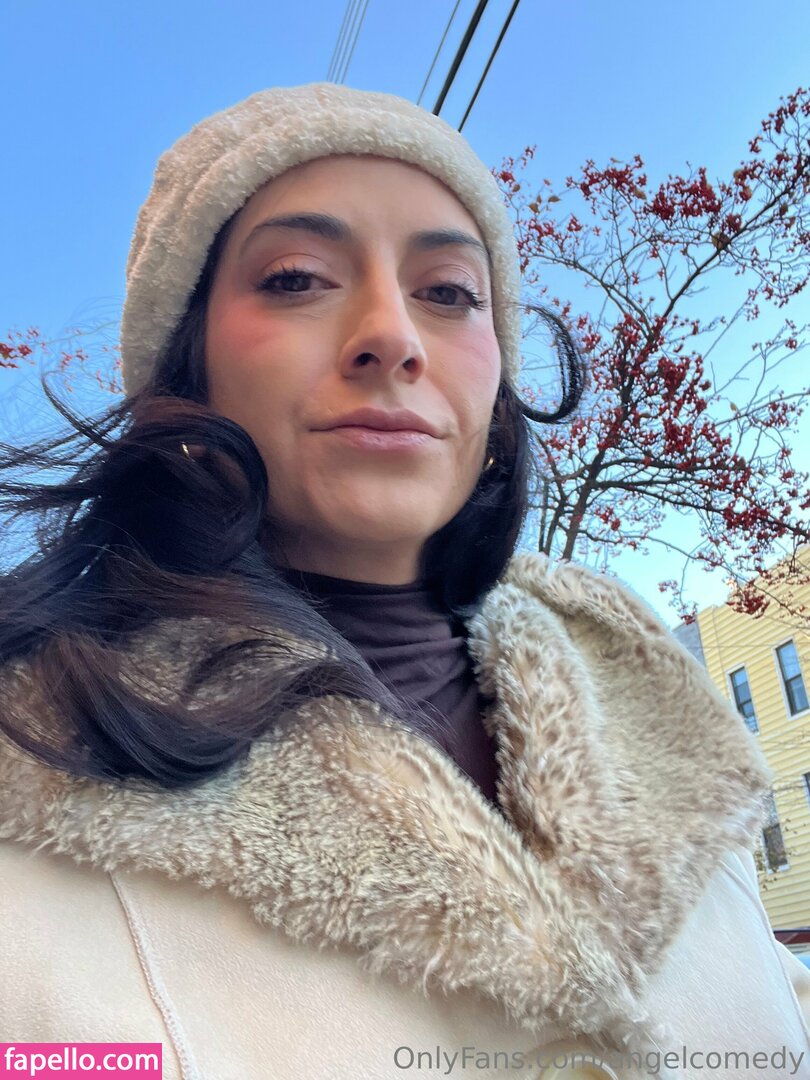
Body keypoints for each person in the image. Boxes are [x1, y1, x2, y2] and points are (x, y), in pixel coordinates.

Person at [0, 83, 807, 1080]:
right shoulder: (32, 750)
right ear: (186, 366)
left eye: (450, 293)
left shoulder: (655, 702)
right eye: (296, 278)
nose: (393, 334)